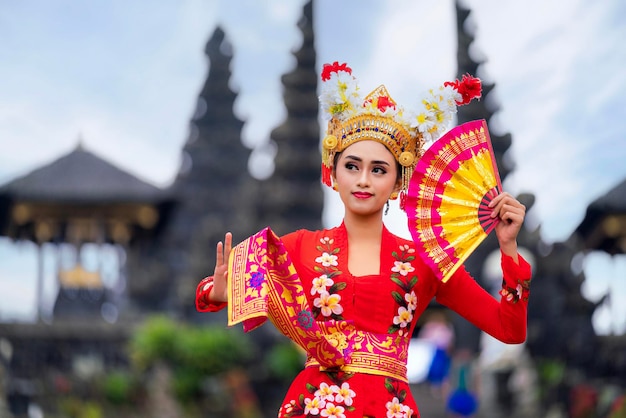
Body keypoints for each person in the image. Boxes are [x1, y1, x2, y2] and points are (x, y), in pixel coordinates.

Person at [195, 62, 532, 418]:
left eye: (379, 169)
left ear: (397, 183)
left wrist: (508, 249)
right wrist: (218, 292)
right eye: (352, 166)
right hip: (314, 407)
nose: (363, 180)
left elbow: (508, 329)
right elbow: (211, 292)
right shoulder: (298, 246)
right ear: (334, 172)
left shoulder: (426, 260)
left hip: (390, 409)